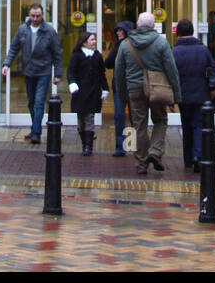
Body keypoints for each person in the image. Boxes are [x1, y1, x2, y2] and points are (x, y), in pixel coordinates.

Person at [113, 11, 182, 176]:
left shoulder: (126, 44)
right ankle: (155, 151)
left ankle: (141, 163)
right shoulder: (161, 43)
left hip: (134, 89)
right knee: (160, 120)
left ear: (137, 25)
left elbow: (118, 72)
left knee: (138, 125)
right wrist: (176, 95)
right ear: (153, 26)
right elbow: (171, 69)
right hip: (157, 88)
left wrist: (122, 95)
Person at [1, 3, 62, 145]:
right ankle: (35, 127)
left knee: (39, 103)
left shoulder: (49, 31)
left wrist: (57, 74)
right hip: (28, 71)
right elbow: (14, 48)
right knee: (31, 103)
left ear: (42, 16)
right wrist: (6, 64)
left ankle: (36, 133)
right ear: (29, 15)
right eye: (33, 16)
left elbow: (57, 54)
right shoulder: (23, 30)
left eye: (38, 16)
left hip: (43, 72)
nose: (35, 19)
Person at [172, 18, 215, 171]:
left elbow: (170, 74)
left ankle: (188, 159)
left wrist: (171, 97)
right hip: (202, 95)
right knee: (198, 126)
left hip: (183, 96)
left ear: (178, 33)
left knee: (186, 127)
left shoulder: (174, 52)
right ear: (192, 31)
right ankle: (198, 155)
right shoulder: (203, 50)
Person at [66, 30, 109, 156]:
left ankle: (88, 147)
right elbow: (71, 72)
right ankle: (84, 143)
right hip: (79, 93)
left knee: (90, 119)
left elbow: (102, 74)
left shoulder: (97, 56)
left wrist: (105, 89)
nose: (94, 42)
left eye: (94, 39)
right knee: (81, 121)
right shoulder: (76, 56)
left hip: (93, 92)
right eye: (92, 40)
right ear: (84, 42)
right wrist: (72, 83)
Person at [105, 20, 135, 156]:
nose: (118, 33)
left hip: (133, 85)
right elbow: (108, 63)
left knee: (134, 117)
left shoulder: (135, 46)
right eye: (117, 30)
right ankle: (120, 146)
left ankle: (132, 144)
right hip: (119, 86)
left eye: (121, 30)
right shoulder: (117, 46)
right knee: (119, 115)